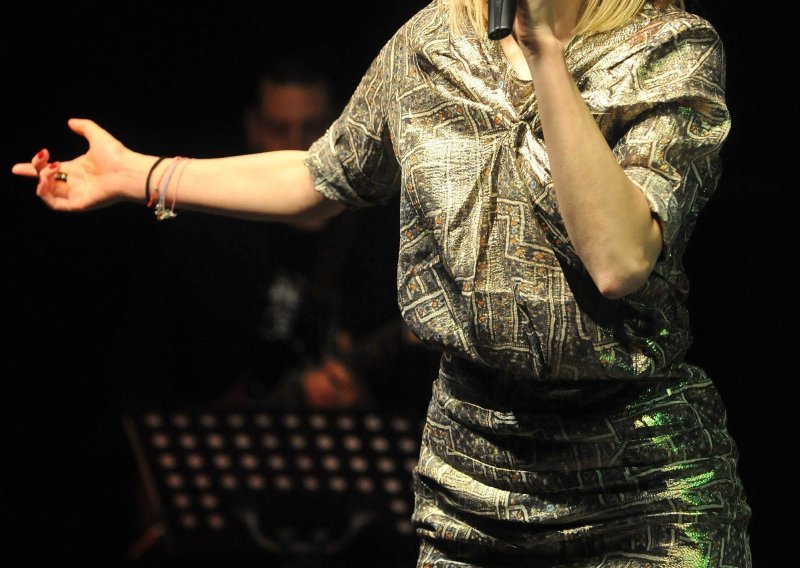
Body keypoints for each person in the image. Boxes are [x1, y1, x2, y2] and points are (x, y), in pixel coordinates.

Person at [12, 0, 753, 565]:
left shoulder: (665, 48)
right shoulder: (431, 39)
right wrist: (140, 174)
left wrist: (546, 56)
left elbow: (619, 261)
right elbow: (318, 178)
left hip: (638, 492)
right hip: (470, 488)